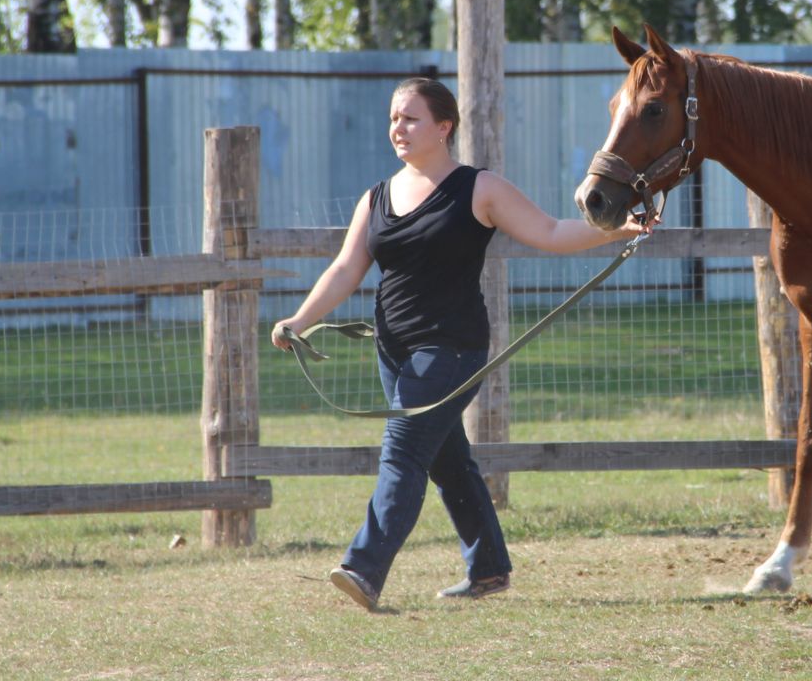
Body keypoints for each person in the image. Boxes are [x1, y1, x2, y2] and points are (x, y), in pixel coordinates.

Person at [271, 76, 646, 612]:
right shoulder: (376, 197)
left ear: (443, 127)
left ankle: (364, 568)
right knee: (448, 462)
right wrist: (299, 319)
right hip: (393, 350)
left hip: (452, 348)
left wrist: (618, 229)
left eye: (411, 118)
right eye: (394, 118)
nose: (398, 127)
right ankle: (489, 569)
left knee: (401, 452)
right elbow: (346, 269)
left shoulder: (480, 188)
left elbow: (552, 232)